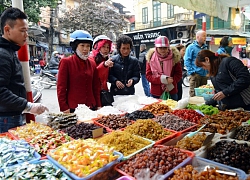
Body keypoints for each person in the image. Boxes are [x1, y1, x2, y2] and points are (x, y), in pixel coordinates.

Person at [0, 7, 48, 133]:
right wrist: (28, 106)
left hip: (11, 114)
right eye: (22, 31)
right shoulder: (3, 54)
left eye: (26, 31)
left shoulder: (10, 51)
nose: (26, 35)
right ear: (7, 30)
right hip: (6, 118)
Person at [57, 30, 101, 113]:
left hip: (91, 106)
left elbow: (96, 86)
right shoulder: (66, 62)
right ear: (75, 46)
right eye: (82, 45)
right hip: (73, 108)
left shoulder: (92, 63)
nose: (85, 49)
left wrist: (98, 105)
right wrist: (64, 107)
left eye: (88, 46)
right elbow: (61, 87)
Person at [146, 36, 182, 101]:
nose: (163, 50)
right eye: (160, 48)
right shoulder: (151, 59)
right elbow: (148, 76)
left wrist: (172, 82)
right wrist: (162, 79)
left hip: (171, 91)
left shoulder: (175, 58)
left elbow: (178, 74)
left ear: (168, 47)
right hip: (156, 93)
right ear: (156, 48)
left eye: (165, 48)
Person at [89, 35, 113, 106]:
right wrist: (104, 65)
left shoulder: (106, 58)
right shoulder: (91, 59)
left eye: (108, 47)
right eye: (103, 46)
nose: (106, 49)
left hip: (104, 91)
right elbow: (94, 74)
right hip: (94, 92)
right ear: (97, 46)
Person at [184, 30, 208, 97]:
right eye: (203, 36)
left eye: (205, 36)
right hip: (196, 75)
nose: (205, 38)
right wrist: (192, 72)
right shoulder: (191, 47)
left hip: (204, 75)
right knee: (194, 95)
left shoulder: (205, 47)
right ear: (197, 37)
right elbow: (187, 61)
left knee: (203, 95)